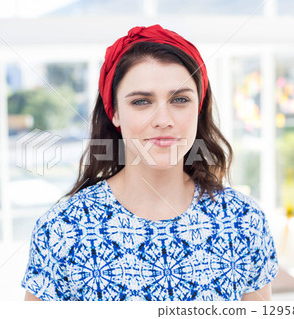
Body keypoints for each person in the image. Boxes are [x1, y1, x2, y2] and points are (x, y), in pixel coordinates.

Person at [21, 25, 279, 301]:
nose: (163, 119)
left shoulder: (243, 221)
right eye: (142, 101)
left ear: (199, 108)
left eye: (180, 99)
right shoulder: (62, 229)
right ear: (115, 113)